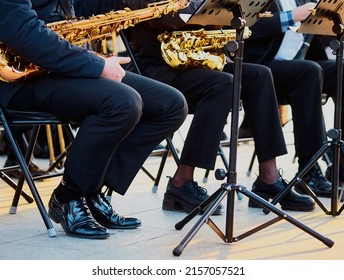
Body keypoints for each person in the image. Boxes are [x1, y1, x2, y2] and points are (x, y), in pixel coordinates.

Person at [0, 0, 188, 239]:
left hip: (62, 66)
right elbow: (23, 33)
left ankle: (90, 191)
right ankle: (68, 197)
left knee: (170, 105)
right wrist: (96, 65)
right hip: (18, 79)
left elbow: (81, 5)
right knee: (123, 102)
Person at [120, 0, 315, 212]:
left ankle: (269, 179)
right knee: (222, 84)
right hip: (156, 68)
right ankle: (181, 182)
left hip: (194, 62)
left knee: (260, 75)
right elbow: (170, 20)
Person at [243, 0, 344, 194]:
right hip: (261, 66)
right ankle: (309, 169)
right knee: (308, 71)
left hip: (299, 66)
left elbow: (310, 36)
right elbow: (244, 27)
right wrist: (292, 16)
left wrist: (336, 26)